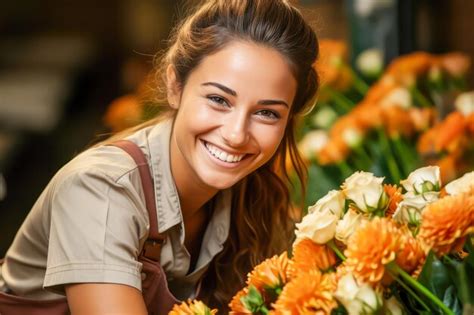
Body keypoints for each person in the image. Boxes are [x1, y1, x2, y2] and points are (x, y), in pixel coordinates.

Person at [0, 0, 319, 313]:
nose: (236, 135)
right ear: (175, 86)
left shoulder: (253, 196)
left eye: (266, 113)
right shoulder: (100, 190)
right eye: (218, 99)